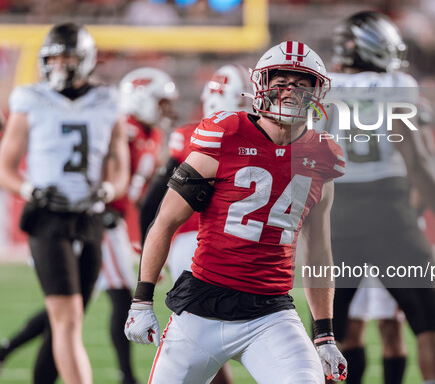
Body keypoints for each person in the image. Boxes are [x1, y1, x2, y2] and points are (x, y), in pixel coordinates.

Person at [125, 41, 348, 384]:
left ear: (317, 93)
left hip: (270, 312)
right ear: (261, 87)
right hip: (201, 308)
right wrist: (141, 300)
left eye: (301, 85)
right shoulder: (225, 134)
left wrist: (325, 334)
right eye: (281, 83)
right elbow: (166, 219)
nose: (290, 93)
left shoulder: (322, 155)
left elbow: (318, 249)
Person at [324, 11, 435, 384]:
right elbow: (419, 160)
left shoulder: (318, 85)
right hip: (390, 211)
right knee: (430, 325)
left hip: (336, 216)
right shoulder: (397, 85)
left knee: (327, 336)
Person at [0, 22, 129, 384]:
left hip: (89, 216)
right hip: (47, 218)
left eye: (67, 57)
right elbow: (4, 166)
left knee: (71, 317)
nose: (59, 65)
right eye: (53, 58)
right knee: (67, 318)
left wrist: (107, 190)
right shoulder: (30, 98)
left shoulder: (106, 100)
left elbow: (121, 167)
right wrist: (29, 190)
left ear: (85, 59)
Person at [139, 63, 252, 384]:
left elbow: (152, 203)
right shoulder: (201, 137)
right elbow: (155, 203)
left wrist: (146, 250)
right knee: (209, 336)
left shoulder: (192, 134)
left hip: (197, 247)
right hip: (205, 245)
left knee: (206, 340)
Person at [340, 95, 435, 384]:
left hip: (394, 237)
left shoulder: (406, 105)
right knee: (350, 328)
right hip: (357, 233)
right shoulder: (361, 112)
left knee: (390, 326)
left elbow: (424, 171)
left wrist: (402, 220)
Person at [96, 66, 178, 384]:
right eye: (159, 101)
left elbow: (140, 198)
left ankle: (8, 348)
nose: (164, 109)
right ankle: (127, 377)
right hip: (100, 220)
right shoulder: (122, 127)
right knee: (112, 298)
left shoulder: (152, 134)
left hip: (115, 222)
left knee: (68, 307)